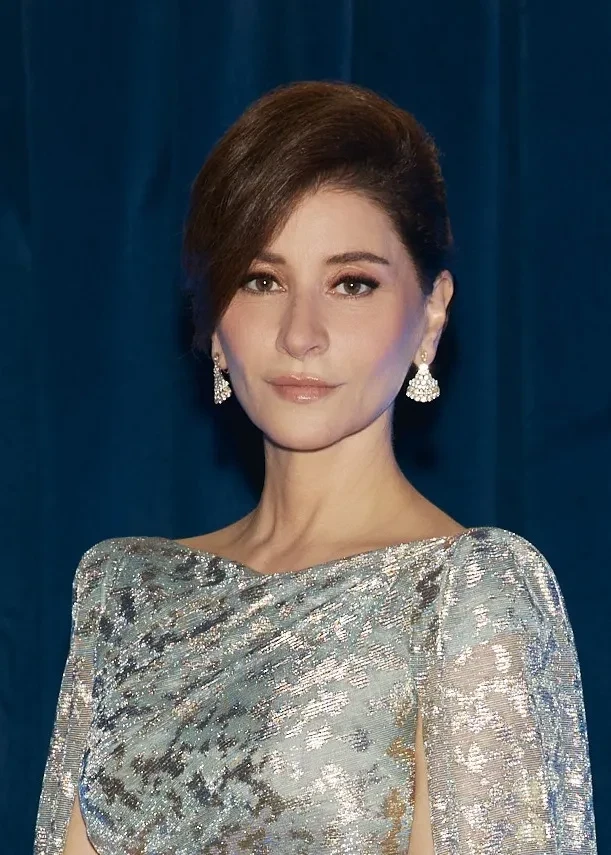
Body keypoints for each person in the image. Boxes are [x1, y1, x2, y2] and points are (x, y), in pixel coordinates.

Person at [34, 81, 597, 855]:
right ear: (213, 318)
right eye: (261, 279)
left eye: (351, 283)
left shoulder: (466, 591)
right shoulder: (125, 593)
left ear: (430, 312)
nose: (301, 333)